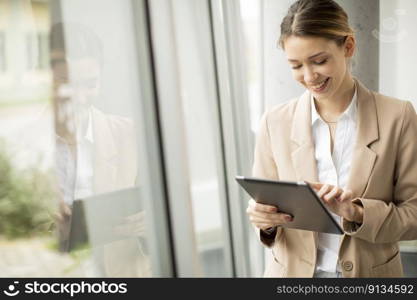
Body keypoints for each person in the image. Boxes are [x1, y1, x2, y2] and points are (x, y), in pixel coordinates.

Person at [246, 0, 417, 278]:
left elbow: (414, 214)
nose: (309, 76)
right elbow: (265, 210)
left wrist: (357, 212)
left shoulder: (398, 116)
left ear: (348, 46)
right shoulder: (274, 123)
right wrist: (264, 221)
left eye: (319, 61)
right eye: (296, 65)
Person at [50, 22, 151, 277]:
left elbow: (173, 228)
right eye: (68, 83)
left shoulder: (132, 136)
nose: (80, 96)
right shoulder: (19, 149)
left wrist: (152, 224)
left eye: (90, 84)